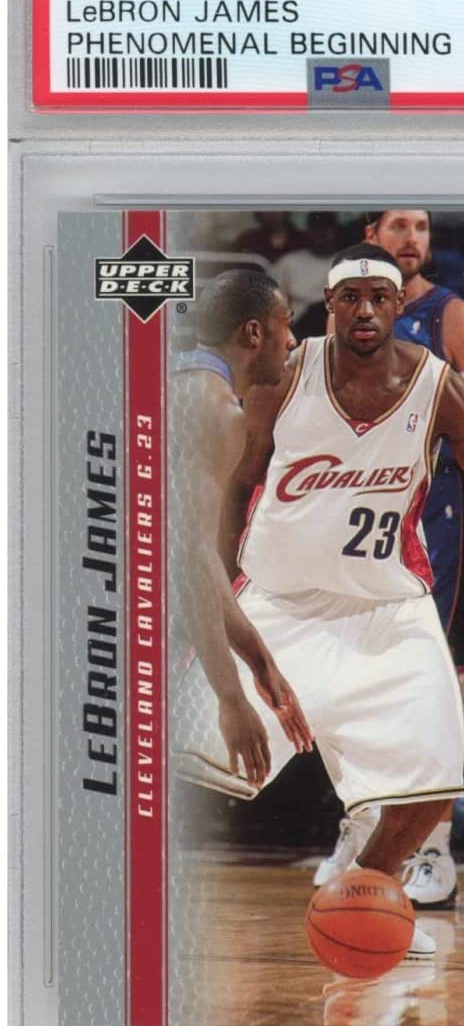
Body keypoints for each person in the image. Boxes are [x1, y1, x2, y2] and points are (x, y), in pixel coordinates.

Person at [175, 243, 464, 962]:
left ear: (399, 305)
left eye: (378, 298)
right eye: (349, 298)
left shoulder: (440, 389)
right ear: (329, 306)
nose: (364, 310)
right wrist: (219, 588)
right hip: (279, 601)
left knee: (436, 778)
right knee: (181, 760)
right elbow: (231, 491)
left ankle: (362, 892)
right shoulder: (280, 378)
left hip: (386, 608)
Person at [317, 211, 464, 903]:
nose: (414, 239)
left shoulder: (455, 319)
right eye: (400, 225)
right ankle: (363, 824)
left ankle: (432, 852)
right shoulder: (345, 321)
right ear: (370, 234)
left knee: (440, 686)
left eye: (424, 227)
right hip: (364, 528)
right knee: (355, 685)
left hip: (446, 528)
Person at [171, 267, 313, 796]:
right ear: (254, 333)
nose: (292, 341)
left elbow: (198, 560)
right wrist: (230, 700)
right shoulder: (216, 409)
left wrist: (260, 662)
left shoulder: (184, 383)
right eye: (286, 324)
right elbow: (189, 562)